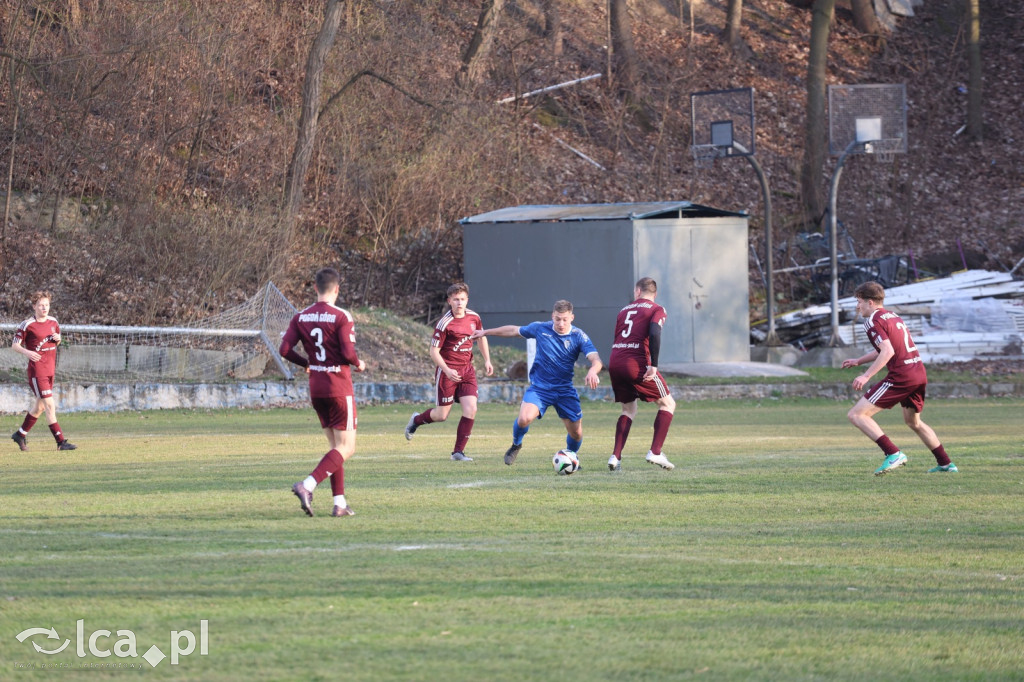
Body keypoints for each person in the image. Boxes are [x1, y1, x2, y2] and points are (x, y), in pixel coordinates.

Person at [842, 281, 958, 475]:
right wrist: (859, 361)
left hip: (902, 375)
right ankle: (946, 463)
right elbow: (886, 348)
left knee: (857, 414)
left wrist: (866, 375)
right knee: (914, 422)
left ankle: (893, 453)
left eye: (859, 301)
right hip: (917, 372)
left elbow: (887, 351)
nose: (857, 306)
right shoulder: (892, 316)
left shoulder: (872, 321)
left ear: (870, 302)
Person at [471, 300, 602, 466]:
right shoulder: (541, 328)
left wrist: (592, 370)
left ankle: (571, 457)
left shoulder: (579, 336)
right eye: (557, 319)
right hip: (540, 388)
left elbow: (596, 359)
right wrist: (486, 332)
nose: (561, 323)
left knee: (576, 433)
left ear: (572, 318)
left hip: (564, 390)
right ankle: (516, 444)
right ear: (552, 316)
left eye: (565, 319)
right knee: (524, 419)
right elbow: (513, 330)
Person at [282, 267, 367, 517]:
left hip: (316, 388)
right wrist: (359, 364)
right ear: (337, 289)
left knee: (335, 449)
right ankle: (307, 485)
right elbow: (348, 353)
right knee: (347, 448)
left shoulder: (301, 316)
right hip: (339, 387)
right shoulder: (341, 316)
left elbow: (285, 349)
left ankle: (339, 503)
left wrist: (307, 364)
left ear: (315, 288)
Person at [404, 283, 494, 461]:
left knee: (471, 408)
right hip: (447, 372)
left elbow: (481, 337)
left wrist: (487, 360)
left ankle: (458, 452)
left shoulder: (474, 317)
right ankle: (416, 420)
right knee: (441, 415)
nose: (459, 303)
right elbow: (433, 351)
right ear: (449, 301)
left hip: (467, 370)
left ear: (467, 300)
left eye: (462, 299)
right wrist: (447, 370)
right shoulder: (445, 323)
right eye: (456, 300)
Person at [607, 277, 676, 471]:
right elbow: (654, 332)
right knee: (668, 403)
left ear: (637, 291)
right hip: (635, 363)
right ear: (655, 294)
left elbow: (618, 336)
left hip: (615, 361)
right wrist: (653, 364)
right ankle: (655, 452)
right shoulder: (657, 309)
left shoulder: (623, 310)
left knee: (628, 410)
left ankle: (615, 457)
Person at [10, 291, 76, 451]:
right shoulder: (27, 325)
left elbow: (55, 342)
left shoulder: (53, 322)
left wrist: (59, 340)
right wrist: (28, 352)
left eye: (46, 304)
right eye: (40, 305)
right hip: (37, 371)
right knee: (50, 406)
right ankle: (61, 442)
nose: (44, 307)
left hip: (50, 369)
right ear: (34, 306)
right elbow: (15, 345)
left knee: (39, 407)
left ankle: (20, 434)